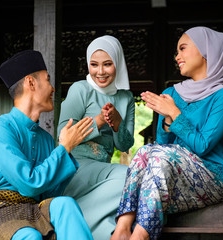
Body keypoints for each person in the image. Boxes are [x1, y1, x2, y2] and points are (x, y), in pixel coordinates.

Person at [110, 26, 223, 240]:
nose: (176, 56)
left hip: (214, 176)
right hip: (172, 175)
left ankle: (140, 235)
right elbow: (162, 143)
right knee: (145, 152)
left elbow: (203, 146)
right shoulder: (171, 93)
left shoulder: (222, 96)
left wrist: (174, 113)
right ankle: (122, 228)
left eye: (182, 48)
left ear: (206, 50)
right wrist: (168, 120)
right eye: (176, 51)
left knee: (159, 155)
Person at [0, 50, 95, 240]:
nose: (53, 88)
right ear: (31, 82)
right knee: (29, 236)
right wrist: (64, 147)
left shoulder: (46, 139)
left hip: (28, 210)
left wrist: (66, 149)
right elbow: (29, 184)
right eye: (48, 80)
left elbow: (46, 194)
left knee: (65, 204)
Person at [57, 35, 135, 240]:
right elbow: (61, 134)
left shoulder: (126, 98)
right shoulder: (81, 89)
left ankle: (74, 219)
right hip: (75, 167)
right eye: (94, 64)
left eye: (107, 64)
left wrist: (117, 123)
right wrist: (98, 121)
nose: (100, 72)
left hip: (104, 173)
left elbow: (125, 145)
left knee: (105, 228)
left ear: (118, 63)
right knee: (129, 175)